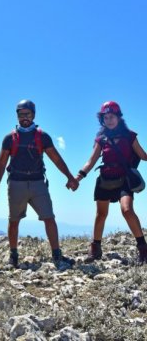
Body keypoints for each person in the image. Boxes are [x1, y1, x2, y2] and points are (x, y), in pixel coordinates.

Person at [0, 100, 78, 270]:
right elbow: (1, 163)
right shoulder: (9, 138)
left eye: (28, 114)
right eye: (21, 114)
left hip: (38, 183)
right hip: (16, 183)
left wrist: (70, 176)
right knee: (14, 220)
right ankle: (13, 256)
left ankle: (57, 254)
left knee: (49, 218)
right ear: (17, 115)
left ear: (34, 115)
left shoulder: (42, 137)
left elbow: (56, 158)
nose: (24, 118)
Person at [75, 101, 147, 264]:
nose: (109, 120)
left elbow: (143, 155)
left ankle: (143, 248)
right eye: (105, 117)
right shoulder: (101, 139)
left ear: (119, 117)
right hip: (105, 179)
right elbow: (91, 160)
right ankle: (96, 248)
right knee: (101, 215)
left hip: (124, 179)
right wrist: (79, 176)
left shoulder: (130, 136)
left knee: (127, 210)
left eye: (112, 116)